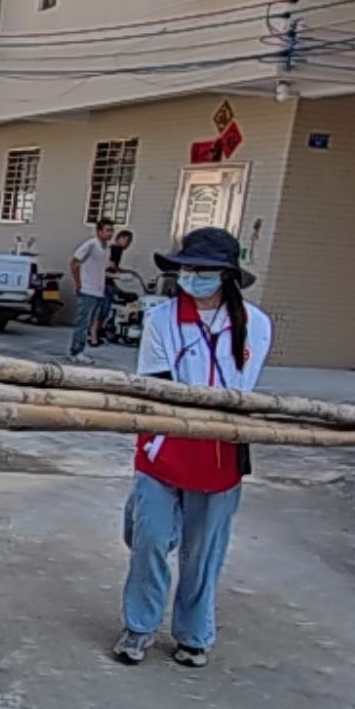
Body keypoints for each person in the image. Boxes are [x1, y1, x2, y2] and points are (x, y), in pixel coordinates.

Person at [115, 226, 272, 667]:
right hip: (165, 439)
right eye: (187, 268)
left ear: (225, 275)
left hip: (222, 447)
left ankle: (194, 633)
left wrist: (218, 414)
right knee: (148, 537)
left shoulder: (255, 324)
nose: (192, 277)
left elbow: (242, 388)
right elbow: (157, 382)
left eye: (203, 270)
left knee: (204, 550)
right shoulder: (162, 319)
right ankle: (139, 625)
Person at [65, 219, 123, 358]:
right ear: (99, 231)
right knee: (83, 322)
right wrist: (78, 283)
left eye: (112, 231)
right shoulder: (91, 244)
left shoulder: (106, 249)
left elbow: (100, 270)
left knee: (90, 322)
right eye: (107, 230)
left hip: (98, 290)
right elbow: (74, 262)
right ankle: (76, 352)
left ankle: (80, 349)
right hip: (87, 289)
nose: (110, 233)